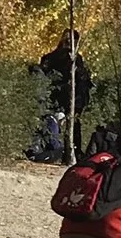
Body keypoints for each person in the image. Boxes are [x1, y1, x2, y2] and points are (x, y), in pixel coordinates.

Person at [32, 29, 94, 162]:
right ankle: (69, 151)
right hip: (64, 98)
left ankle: (62, 151)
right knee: (70, 124)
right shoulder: (73, 59)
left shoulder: (51, 58)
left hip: (56, 98)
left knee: (56, 124)